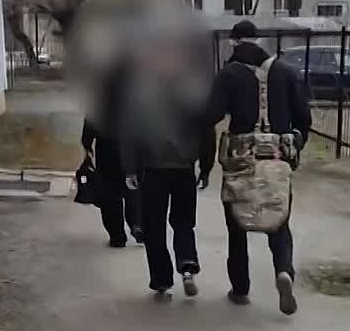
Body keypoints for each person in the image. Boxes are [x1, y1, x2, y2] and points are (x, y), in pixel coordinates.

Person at [204, 20, 312, 315]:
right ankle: (284, 270)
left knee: (237, 224)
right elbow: (304, 119)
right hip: (276, 158)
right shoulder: (287, 73)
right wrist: (295, 141)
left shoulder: (229, 74)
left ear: (234, 42)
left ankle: (240, 289)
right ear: (259, 41)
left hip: (240, 158)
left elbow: (211, 114)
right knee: (279, 219)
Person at [119, 56, 217, 302]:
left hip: (153, 169)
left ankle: (161, 281)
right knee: (184, 221)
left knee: (154, 226)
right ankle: (187, 264)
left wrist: (130, 169)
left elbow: (130, 133)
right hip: (184, 168)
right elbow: (207, 132)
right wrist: (205, 167)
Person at [81, 118, 143, 247]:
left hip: (107, 151)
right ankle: (137, 224)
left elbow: (89, 128)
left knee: (110, 196)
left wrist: (87, 146)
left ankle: (117, 236)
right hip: (133, 149)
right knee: (134, 191)